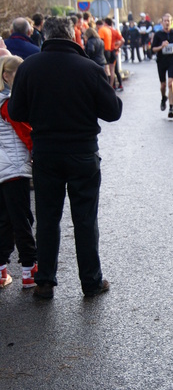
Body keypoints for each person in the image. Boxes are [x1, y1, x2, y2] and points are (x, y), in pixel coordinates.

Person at [8, 17, 122, 299]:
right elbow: (114, 111)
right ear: (73, 37)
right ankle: (91, 282)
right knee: (85, 219)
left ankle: (45, 281)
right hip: (83, 153)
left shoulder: (29, 67)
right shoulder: (89, 69)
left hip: (45, 153)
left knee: (47, 218)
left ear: (44, 37)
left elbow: (17, 111)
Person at [0, 56, 37, 289]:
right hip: (14, 169)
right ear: (7, 75)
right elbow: (27, 134)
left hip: (3, 169)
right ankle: (29, 270)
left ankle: (2, 270)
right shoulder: (8, 103)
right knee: (23, 219)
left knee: (4, 221)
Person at [152, 13, 173, 119]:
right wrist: (161, 46)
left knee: (170, 83)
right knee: (163, 85)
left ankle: (171, 107)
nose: (167, 23)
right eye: (165, 21)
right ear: (162, 22)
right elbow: (153, 49)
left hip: (172, 60)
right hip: (161, 61)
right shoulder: (158, 34)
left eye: (168, 21)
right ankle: (163, 98)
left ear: (171, 22)